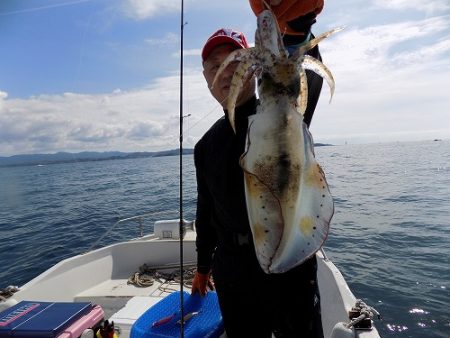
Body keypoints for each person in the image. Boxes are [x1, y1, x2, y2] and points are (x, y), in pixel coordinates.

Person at [192, 1, 325, 337]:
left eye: (235, 61)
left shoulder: (282, 111)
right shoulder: (205, 147)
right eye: (214, 66)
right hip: (233, 271)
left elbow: (297, 74)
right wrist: (203, 266)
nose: (225, 72)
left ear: (253, 67)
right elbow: (206, 209)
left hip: (290, 262)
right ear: (206, 77)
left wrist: (297, 23)